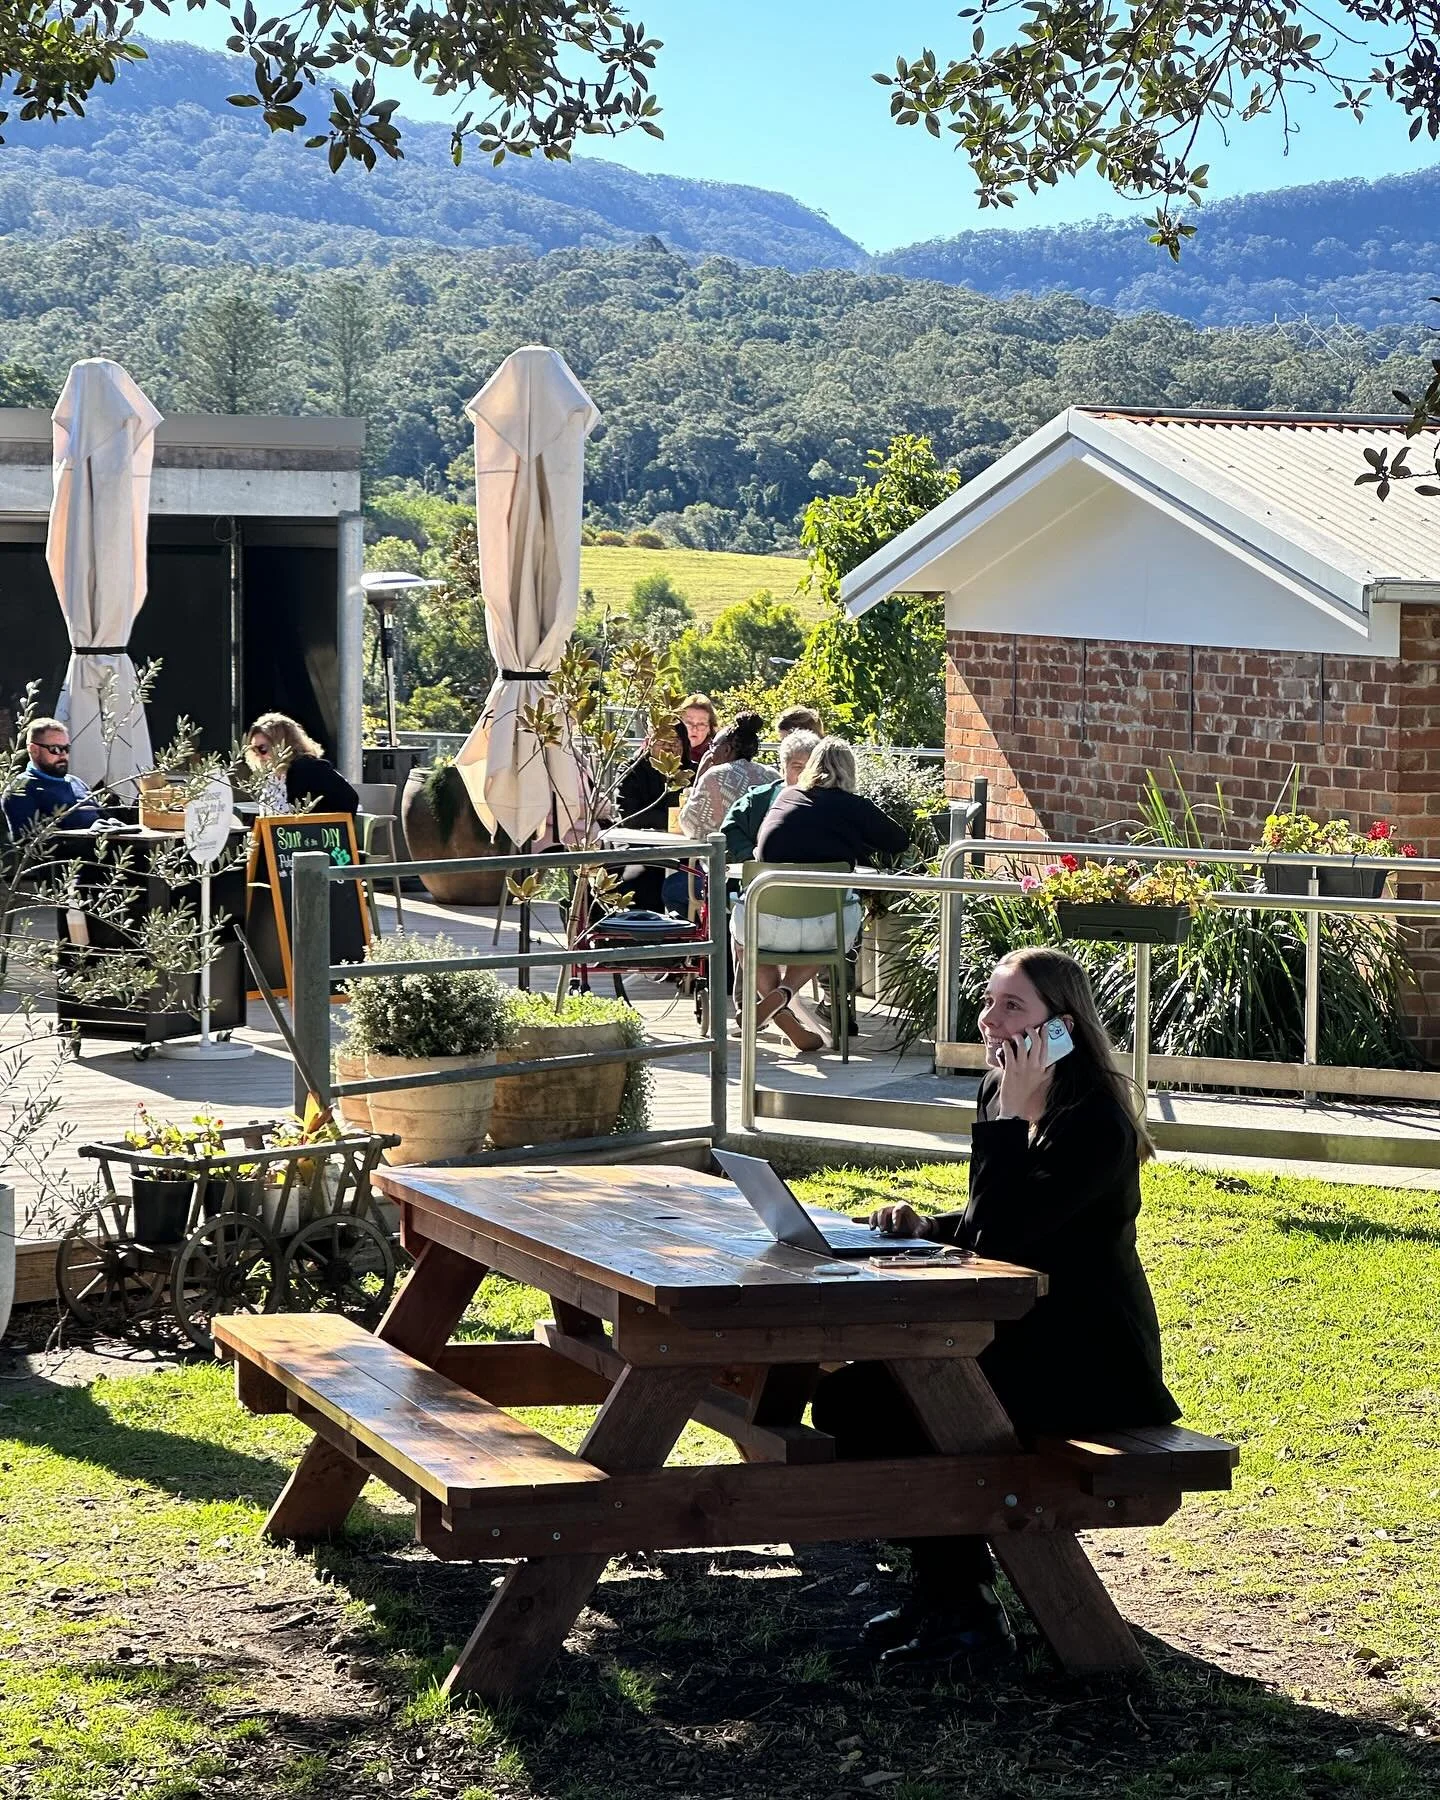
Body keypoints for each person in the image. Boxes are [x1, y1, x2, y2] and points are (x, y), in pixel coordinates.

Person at [811, 946, 1179, 1670]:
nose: (989, 1019)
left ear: (1061, 1027)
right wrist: (928, 1226)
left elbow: (1007, 1239)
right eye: (989, 1001)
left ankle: (965, 1607)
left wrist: (1010, 1117)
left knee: (887, 1405)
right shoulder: (999, 1093)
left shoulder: (1095, 1121)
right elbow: (992, 1221)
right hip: (1017, 1341)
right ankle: (951, 1594)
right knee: (858, 1398)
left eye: (1013, 1006)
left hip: (1086, 1364)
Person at [736, 737, 907, 1051]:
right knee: (831, 934)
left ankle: (779, 1006)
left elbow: (760, 850)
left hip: (767, 924)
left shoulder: (786, 797)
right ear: (850, 770)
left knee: (744, 939)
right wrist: (857, 836)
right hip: (824, 927)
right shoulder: (854, 806)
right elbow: (899, 841)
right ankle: (785, 994)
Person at [720, 727, 819, 863]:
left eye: (811, 767)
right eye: (798, 767)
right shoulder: (758, 799)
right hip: (765, 873)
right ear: (783, 768)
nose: (804, 774)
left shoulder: (829, 801)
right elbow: (730, 828)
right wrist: (750, 855)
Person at [679, 711, 776, 838]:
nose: (710, 752)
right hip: (763, 849)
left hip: (723, 850)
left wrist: (699, 778)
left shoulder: (715, 776)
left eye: (713, 746)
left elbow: (689, 826)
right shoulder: (772, 776)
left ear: (726, 750)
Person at [2, 716, 102, 836]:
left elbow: (103, 818)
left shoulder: (76, 782)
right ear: (34, 750)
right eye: (55, 749)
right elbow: (30, 841)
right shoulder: (21, 789)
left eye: (66, 748)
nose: (63, 755)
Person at [245, 713, 358, 816]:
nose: (258, 755)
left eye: (262, 748)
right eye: (254, 750)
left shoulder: (309, 768)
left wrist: (317, 823)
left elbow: (350, 798)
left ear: (282, 745)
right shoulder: (272, 777)